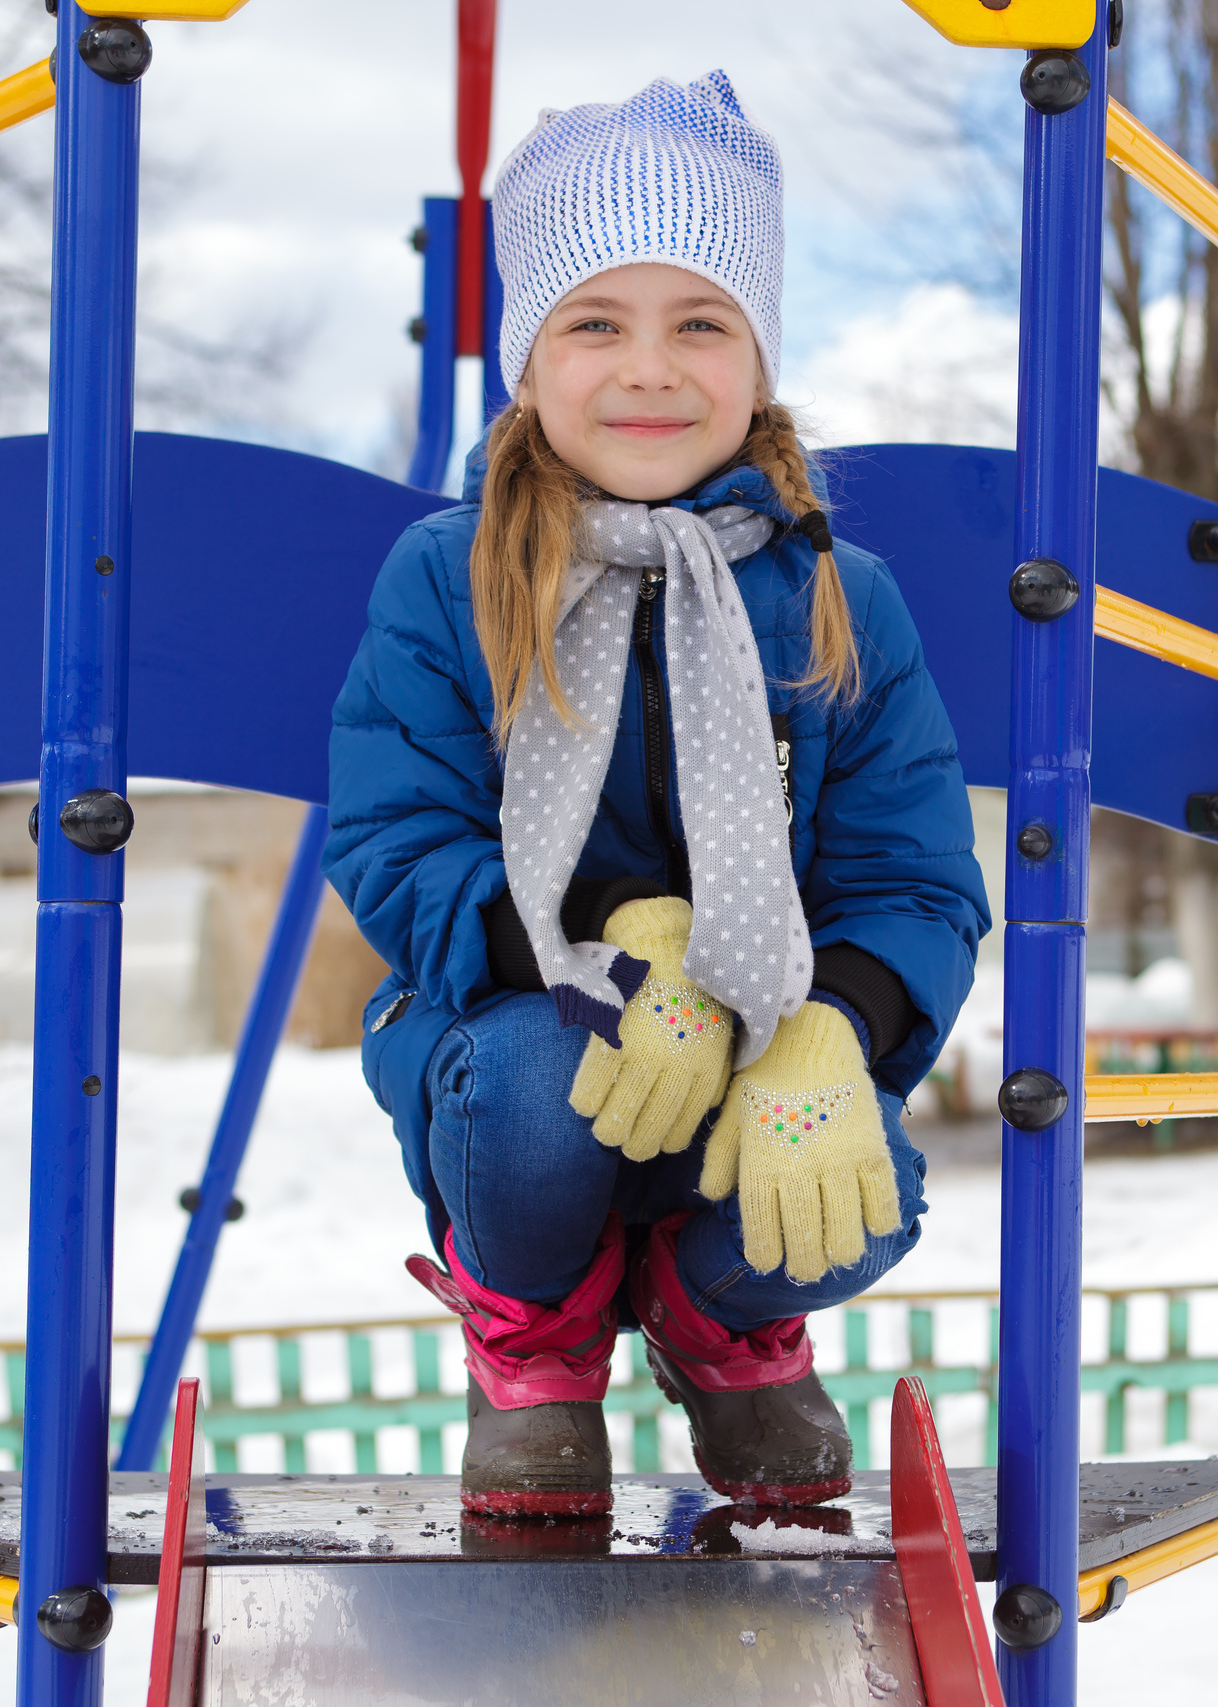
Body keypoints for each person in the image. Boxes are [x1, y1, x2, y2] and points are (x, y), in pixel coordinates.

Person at [325, 71, 989, 1519]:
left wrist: (835, 1027)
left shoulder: (838, 598)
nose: (649, 368)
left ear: (758, 358)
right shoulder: (450, 578)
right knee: (525, 1092)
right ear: (529, 359)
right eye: (594, 323)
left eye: (701, 322)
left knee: (861, 1181)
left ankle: (718, 1320)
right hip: (526, 1046)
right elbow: (394, 834)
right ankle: (542, 1336)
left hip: (760, 1049)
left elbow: (916, 878)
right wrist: (611, 956)